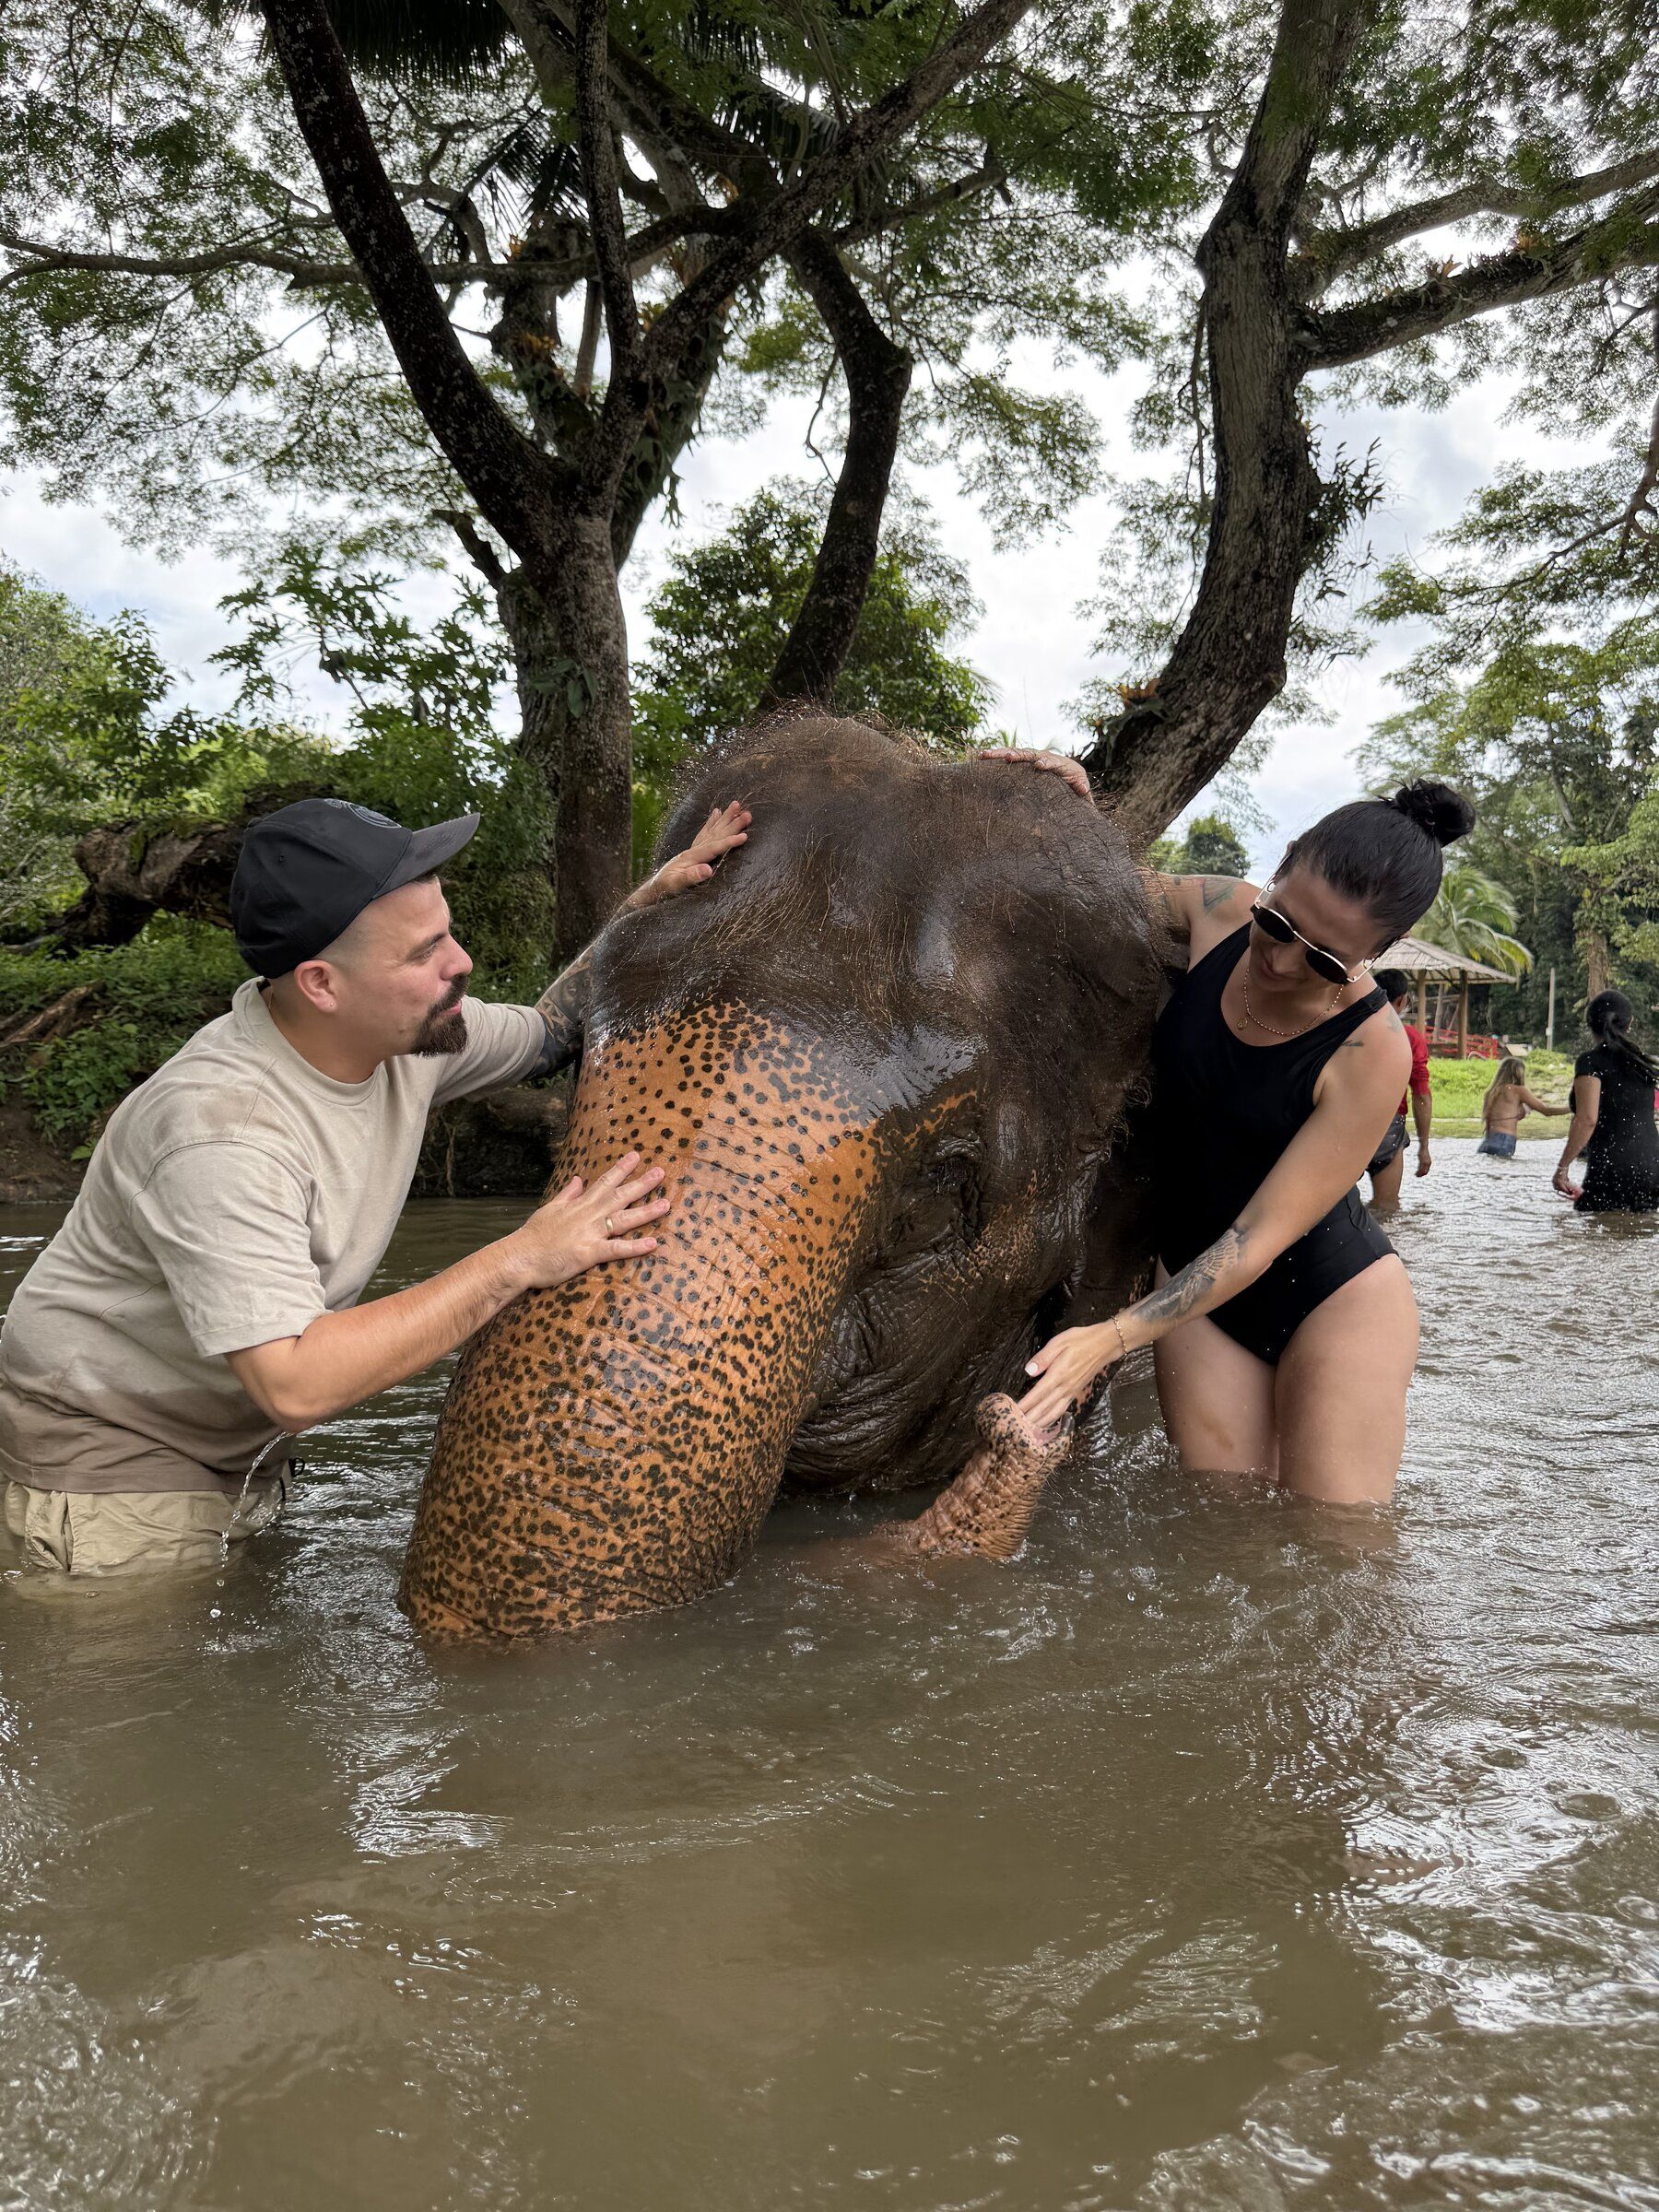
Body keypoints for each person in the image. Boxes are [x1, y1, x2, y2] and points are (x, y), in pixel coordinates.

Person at [0, 794, 748, 1577]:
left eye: (448, 932)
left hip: (232, 1445)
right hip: (107, 1465)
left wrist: (650, 902)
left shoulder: (407, 1033)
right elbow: (296, 1382)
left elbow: (547, 1033)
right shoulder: (220, 1132)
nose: (459, 962)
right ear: (322, 983)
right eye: (424, 952)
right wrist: (520, 1258)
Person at [978, 749, 1474, 1503]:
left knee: (1335, 1547)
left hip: (1331, 1297)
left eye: (1327, 962)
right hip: (1196, 1289)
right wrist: (1061, 809)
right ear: (1276, 871)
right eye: (1277, 923)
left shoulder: (1370, 1053)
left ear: (1375, 955)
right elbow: (1082, 892)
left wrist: (1109, 1339)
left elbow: (1258, 1238)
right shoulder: (1216, 907)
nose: (1280, 962)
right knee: (1222, 1528)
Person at [1553, 989, 1659, 1211]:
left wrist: (1562, 1167)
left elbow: (1587, 1119)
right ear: (1629, 1023)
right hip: (1652, 1167)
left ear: (1589, 1023)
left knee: (1594, 1234)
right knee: (1639, 1234)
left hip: (1612, 1167)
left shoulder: (1590, 1062)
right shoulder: (1643, 1065)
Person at [1364, 967, 1433, 1203]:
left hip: (1344, 1121)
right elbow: (1421, 1095)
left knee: (1333, 1214)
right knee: (1386, 1210)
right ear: (1402, 999)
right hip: (1388, 1127)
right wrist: (1424, 1147)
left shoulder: (1351, 1031)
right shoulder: (1410, 1038)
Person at [1477, 1054, 1566, 1159]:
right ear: (1519, 1073)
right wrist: (1573, 1108)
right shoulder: (1518, 1091)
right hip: (1504, 1141)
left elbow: (1505, 1114)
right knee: (1506, 1174)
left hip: (1487, 1142)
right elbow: (1546, 1110)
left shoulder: (1491, 1092)